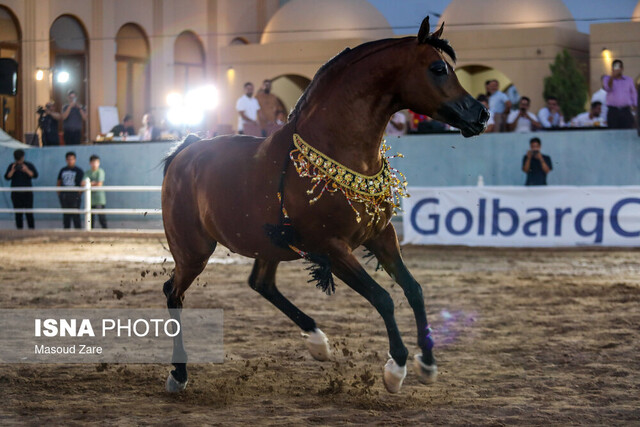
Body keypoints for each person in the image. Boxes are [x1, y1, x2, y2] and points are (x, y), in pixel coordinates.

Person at [4, 149, 38, 229]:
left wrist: (26, 170)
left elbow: (35, 175)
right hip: (16, 193)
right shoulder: (12, 166)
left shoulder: (28, 165)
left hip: (27, 193)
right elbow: (7, 177)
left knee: (29, 213)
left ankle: (31, 230)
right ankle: (19, 231)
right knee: (18, 214)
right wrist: (13, 170)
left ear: (23, 157)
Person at [603, 59, 637, 129]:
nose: (618, 69)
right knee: (613, 131)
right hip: (613, 111)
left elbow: (633, 93)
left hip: (626, 110)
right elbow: (608, 88)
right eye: (616, 67)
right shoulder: (607, 79)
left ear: (622, 68)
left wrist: (635, 107)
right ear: (612, 68)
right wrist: (612, 76)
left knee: (627, 131)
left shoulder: (628, 80)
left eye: (619, 67)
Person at [57, 151, 84, 229]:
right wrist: (60, 194)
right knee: (66, 216)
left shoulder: (79, 171)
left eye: (72, 159)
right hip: (65, 196)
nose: (70, 161)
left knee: (76, 215)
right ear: (66, 160)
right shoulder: (63, 170)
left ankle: (78, 233)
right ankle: (66, 233)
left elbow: (82, 184)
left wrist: (78, 194)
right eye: (69, 159)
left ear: (75, 160)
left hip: (75, 196)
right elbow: (59, 182)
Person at [83, 155, 107, 229]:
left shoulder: (100, 171)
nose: (94, 164)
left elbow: (99, 184)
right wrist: (94, 183)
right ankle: (90, 233)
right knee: (90, 218)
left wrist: (89, 184)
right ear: (90, 163)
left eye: (96, 162)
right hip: (90, 199)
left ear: (99, 163)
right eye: (93, 162)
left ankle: (105, 231)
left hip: (99, 199)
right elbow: (82, 183)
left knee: (101, 217)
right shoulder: (87, 172)